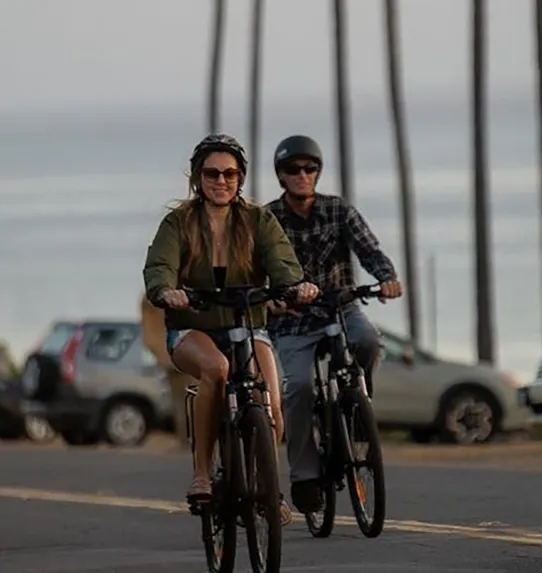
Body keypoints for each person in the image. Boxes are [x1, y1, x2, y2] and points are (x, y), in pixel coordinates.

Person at [142, 133, 320, 525]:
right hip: (193, 327)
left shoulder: (259, 220)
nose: (220, 181)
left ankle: (266, 486)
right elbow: (159, 266)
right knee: (217, 369)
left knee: (272, 404)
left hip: (248, 324)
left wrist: (294, 286)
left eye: (229, 174)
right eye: (211, 174)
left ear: (241, 178)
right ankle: (203, 475)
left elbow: (283, 262)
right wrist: (167, 292)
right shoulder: (178, 222)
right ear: (196, 177)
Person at [264, 135, 403, 515]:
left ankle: (357, 409)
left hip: (341, 308)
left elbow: (370, 250)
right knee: (299, 389)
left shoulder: (339, 210)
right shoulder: (268, 218)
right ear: (281, 176)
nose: (302, 175)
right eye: (293, 169)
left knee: (367, 342)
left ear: (318, 172)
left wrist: (387, 277)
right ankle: (305, 476)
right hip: (293, 321)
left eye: (310, 168)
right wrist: (272, 298)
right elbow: (255, 266)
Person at [140, 292, 193, 449]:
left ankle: (187, 440)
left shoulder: (151, 297)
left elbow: (148, 334)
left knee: (183, 401)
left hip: (175, 353)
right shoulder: (155, 299)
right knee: (189, 400)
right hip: (183, 353)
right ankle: (190, 440)